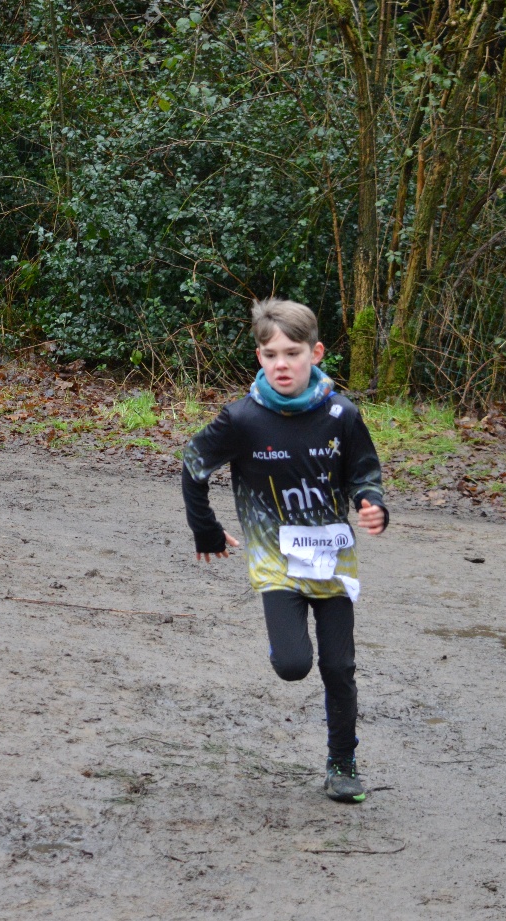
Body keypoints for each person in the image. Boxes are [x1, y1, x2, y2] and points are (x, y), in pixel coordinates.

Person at [182, 298, 388, 803]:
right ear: (259, 357)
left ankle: (343, 763)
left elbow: (364, 471)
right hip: (276, 561)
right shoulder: (242, 418)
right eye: (271, 353)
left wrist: (371, 503)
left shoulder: (342, 414)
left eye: (292, 353)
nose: (282, 364)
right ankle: (285, 644)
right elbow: (193, 464)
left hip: (333, 559)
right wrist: (206, 529)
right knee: (295, 664)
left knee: (338, 668)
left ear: (314, 353)